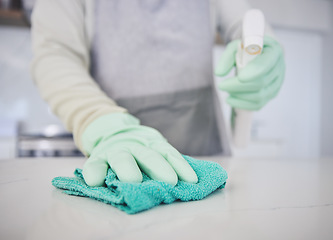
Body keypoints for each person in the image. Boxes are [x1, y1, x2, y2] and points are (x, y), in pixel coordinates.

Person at [31, 0, 285, 186]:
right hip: (117, 158)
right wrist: (101, 122)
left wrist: (264, 52)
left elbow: (245, 22)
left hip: (205, 154)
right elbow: (55, 55)